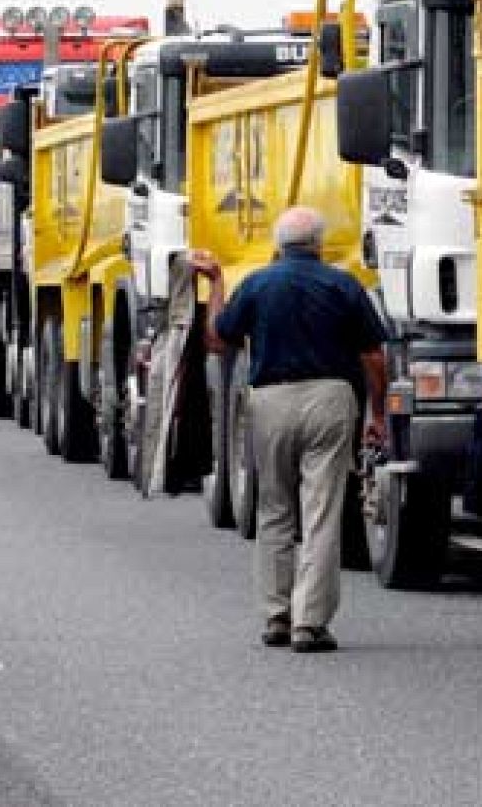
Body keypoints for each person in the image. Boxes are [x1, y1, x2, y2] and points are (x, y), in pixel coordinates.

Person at [190, 206, 387, 654]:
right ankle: (310, 623)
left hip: (270, 401)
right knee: (320, 513)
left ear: (279, 245)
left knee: (274, 509)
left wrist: (216, 283)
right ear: (319, 244)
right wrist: (376, 415)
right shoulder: (342, 284)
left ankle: (276, 616)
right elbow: (373, 356)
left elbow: (218, 340)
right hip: (330, 399)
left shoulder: (258, 283)